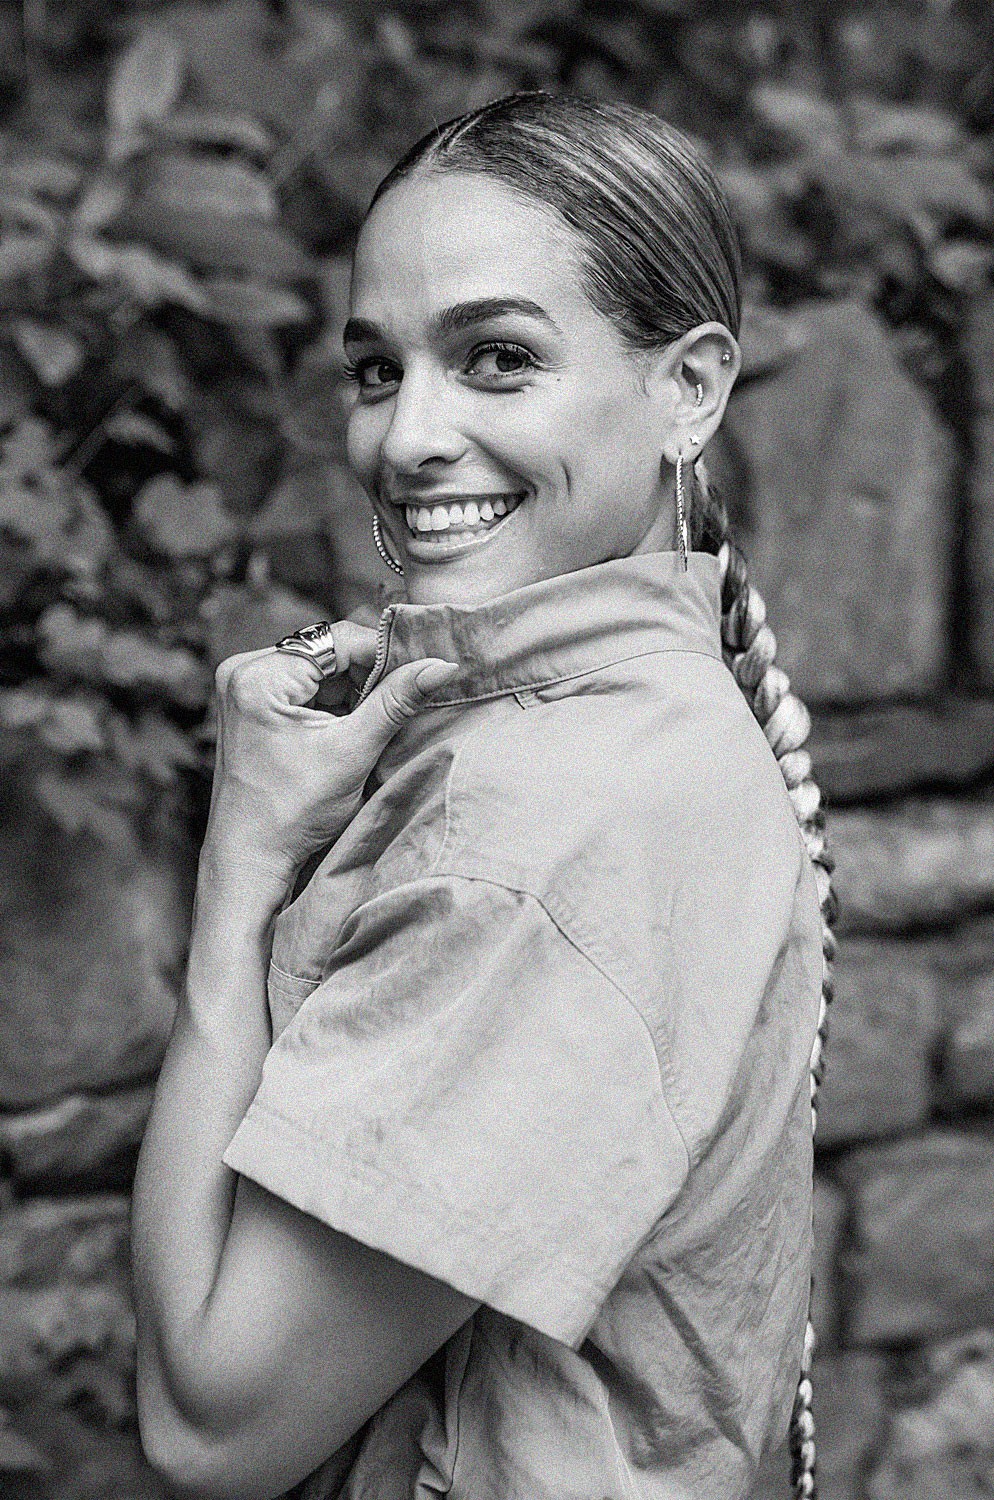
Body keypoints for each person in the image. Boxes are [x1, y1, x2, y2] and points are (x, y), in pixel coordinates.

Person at [132, 92, 829, 1500]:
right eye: (376, 371)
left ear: (690, 388)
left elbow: (212, 1421)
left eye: (499, 359)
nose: (405, 441)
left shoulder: (554, 827)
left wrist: (241, 877)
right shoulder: (640, 729)